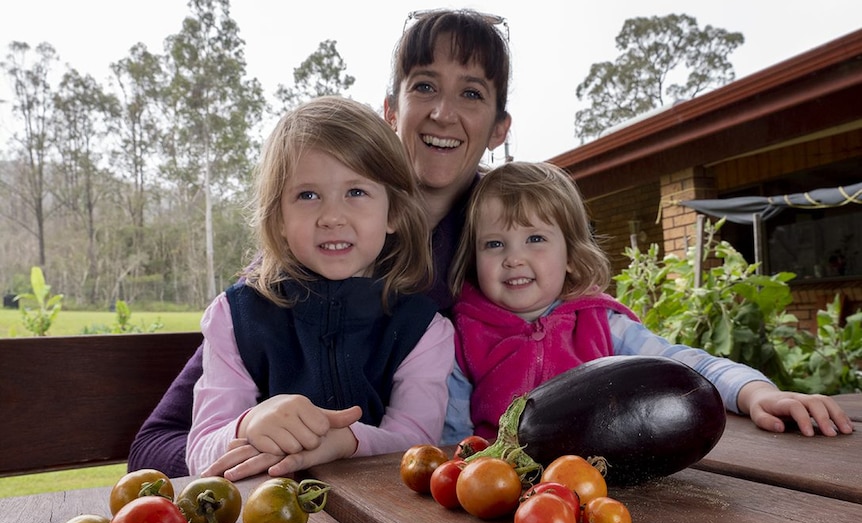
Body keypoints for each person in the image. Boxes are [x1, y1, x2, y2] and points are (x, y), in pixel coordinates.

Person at [128, 8, 513, 477]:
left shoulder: (515, 252)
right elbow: (164, 440)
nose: (443, 112)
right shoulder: (268, 290)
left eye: (470, 93)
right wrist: (257, 445)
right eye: (425, 86)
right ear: (392, 110)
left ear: (500, 128)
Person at [443, 161, 855, 443]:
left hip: (606, 486)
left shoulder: (603, 324)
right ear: (473, 258)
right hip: (500, 493)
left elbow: (684, 365)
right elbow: (451, 437)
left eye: (535, 239)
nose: (513, 257)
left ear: (570, 256)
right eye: (494, 243)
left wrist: (755, 392)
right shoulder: (464, 336)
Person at [185, 96, 455, 479]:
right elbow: (201, 453)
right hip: (265, 521)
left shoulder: (424, 330)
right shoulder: (235, 318)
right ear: (278, 217)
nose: (331, 217)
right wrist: (248, 424)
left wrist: (348, 441)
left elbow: (418, 444)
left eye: (356, 192)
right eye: (307, 195)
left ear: (393, 212)